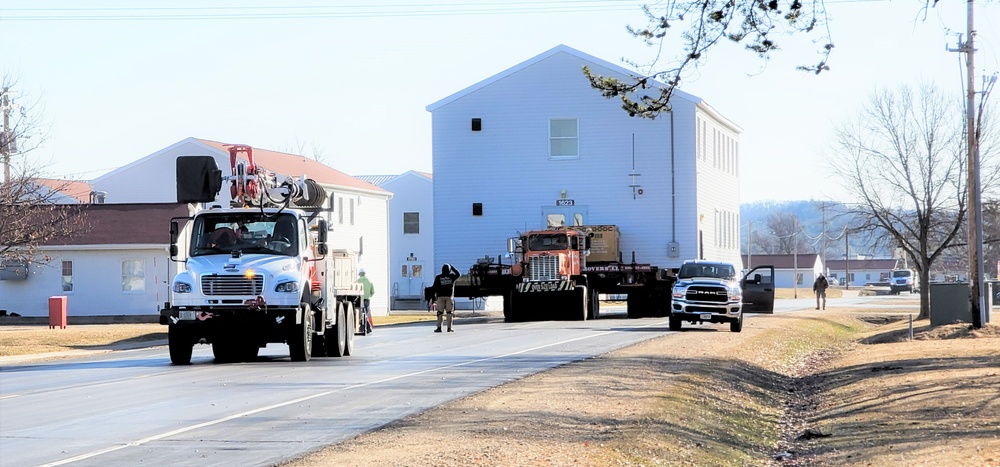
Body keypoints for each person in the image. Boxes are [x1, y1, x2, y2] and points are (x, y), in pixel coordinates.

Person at [429, 263, 461, 333]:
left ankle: (439, 327)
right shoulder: (452, 277)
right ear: (449, 270)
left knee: (440, 313)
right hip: (449, 297)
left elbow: (434, 288)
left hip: (440, 297)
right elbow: (458, 274)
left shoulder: (438, 277)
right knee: (449, 313)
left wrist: (433, 298)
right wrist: (453, 267)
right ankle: (449, 328)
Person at [357, 269, 375, 334]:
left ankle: (366, 327)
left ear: (360, 274)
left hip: (360, 300)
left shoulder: (358, 281)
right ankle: (366, 327)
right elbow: (372, 292)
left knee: (362, 314)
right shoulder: (369, 282)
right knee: (366, 314)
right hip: (367, 300)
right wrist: (368, 295)